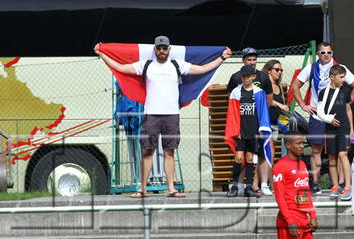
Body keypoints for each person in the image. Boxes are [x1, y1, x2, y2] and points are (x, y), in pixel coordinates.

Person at [94, 36, 231, 198]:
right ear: (155, 49)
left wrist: (222, 58)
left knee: (169, 152)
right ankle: (142, 189)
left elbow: (202, 69)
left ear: (169, 49)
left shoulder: (177, 65)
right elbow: (121, 68)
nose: (161, 51)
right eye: (159, 48)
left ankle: (171, 188)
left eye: (164, 48)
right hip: (151, 114)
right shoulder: (145, 65)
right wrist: (102, 54)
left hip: (171, 115)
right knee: (147, 151)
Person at [291, 42, 354, 194]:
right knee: (316, 149)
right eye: (323, 52)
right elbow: (295, 86)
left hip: (336, 115)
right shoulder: (311, 67)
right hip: (318, 114)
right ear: (318, 54)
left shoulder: (339, 67)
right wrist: (304, 105)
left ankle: (342, 183)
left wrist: (345, 102)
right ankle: (316, 183)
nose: (326, 55)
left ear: (332, 54)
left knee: (339, 151)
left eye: (329, 52)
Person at [226, 65, 270, 198]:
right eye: (243, 76)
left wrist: (263, 128)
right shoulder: (235, 92)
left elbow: (263, 112)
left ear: (253, 77)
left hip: (253, 129)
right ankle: (234, 186)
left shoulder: (259, 92)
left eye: (248, 76)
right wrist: (235, 130)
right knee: (239, 157)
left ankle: (249, 186)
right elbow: (232, 112)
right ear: (241, 77)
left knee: (250, 157)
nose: (246, 78)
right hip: (240, 129)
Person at [316, 65, 354, 200]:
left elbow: (348, 110)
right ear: (332, 77)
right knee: (332, 157)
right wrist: (329, 120)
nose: (343, 80)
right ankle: (335, 186)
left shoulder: (345, 91)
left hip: (343, 128)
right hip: (330, 128)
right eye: (341, 77)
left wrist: (352, 129)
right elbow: (320, 112)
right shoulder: (323, 92)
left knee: (343, 154)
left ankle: (348, 186)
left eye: (344, 77)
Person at [254, 59, 288, 196]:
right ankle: (266, 185)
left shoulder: (279, 87)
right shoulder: (263, 85)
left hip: (276, 124)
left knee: (270, 155)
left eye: (281, 70)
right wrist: (279, 105)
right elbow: (266, 100)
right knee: (269, 154)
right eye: (276, 69)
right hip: (265, 124)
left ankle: (264, 184)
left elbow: (283, 103)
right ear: (268, 71)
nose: (279, 72)